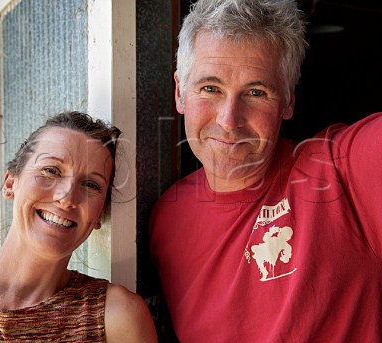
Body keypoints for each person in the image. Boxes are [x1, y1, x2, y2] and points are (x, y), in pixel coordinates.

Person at [149, 0, 382, 342]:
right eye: (210, 88)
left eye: (256, 92)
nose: (229, 120)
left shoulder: (344, 171)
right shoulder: (165, 220)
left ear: (288, 101)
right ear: (180, 92)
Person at [0, 111, 157, 342]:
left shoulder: (117, 319)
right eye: (50, 170)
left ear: (99, 213)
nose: (67, 197)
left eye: (91, 185)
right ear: (11, 183)